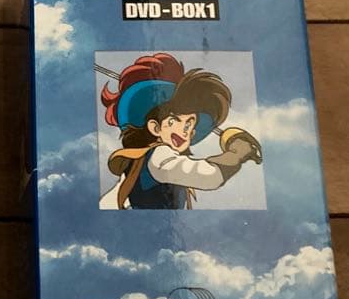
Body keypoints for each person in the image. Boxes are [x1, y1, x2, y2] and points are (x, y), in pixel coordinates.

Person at [99, 53, 262, 210]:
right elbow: (210, 176)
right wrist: (236, 154)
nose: (185, 130)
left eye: (190, 124)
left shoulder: (141, 164)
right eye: (174, 120)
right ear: (155, 127)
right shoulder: (159, 154)